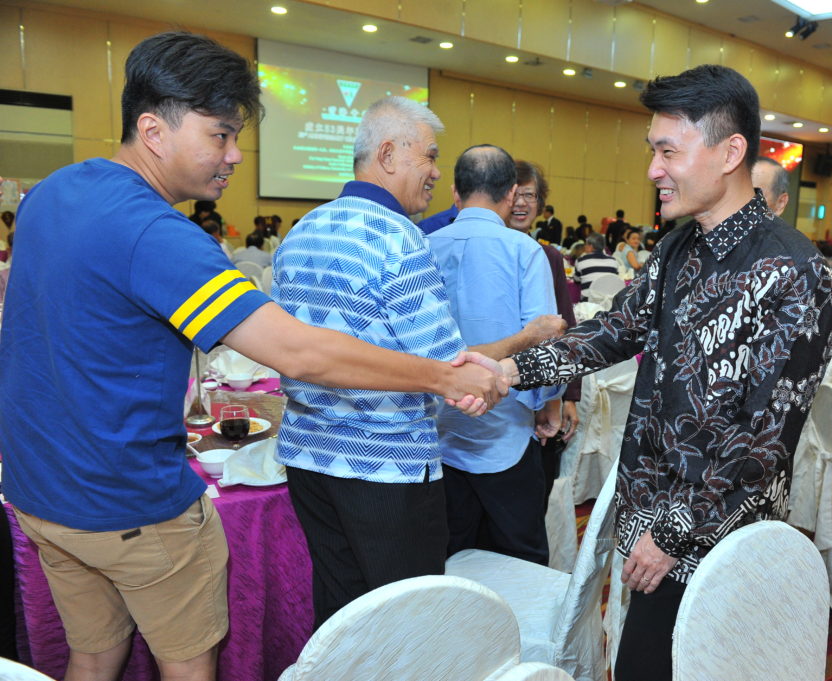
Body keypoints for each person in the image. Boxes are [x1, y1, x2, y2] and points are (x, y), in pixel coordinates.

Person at [0, 33, 505, 681]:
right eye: (220, 135)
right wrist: (442, 376)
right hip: (128, 503)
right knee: (190, 667)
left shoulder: (54, 190)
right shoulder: (157, 234)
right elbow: (296, 350)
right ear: (153, 130)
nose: (235, 155)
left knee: (94, 656)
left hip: (39, 492)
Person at [497, 65, 832, 680]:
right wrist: (504, 371)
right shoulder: (679, 247)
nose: (654, 169)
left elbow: (762, 441)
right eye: (652, 151)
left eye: (668, 151)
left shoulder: (796, 273)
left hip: (716, 536)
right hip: (650, 517)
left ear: (729, 152)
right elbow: (611, 331)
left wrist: (673, 533)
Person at [271, 98, 557, 629]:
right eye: (428, 156)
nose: (435, 172)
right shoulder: (397, 236)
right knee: (412, 624)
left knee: (342, 614)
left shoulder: (303, 229)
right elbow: (445, 364)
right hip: (386, 467)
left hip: (309, 459)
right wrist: (521, 347)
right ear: (387, 155)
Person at [428, 145, 565, 564]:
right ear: (510, 194)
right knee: (518, 559)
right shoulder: (524, 250)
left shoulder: (422, 246)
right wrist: (548, 404)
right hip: (507, 430)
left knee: (450, 557)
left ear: (455, 193)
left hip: (439, 432)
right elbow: (544, 343)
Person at [506, 160, 582, 507]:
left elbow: (566, 326)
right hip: (497, 392)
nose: (522, 203)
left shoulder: (549, 256)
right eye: (516, 195)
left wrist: (568, 397)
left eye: (531, 196)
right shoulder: (491, 251)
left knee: (533, 496)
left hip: (539, 392)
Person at [574, 232, 619, 300]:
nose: (584, 246)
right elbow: (614, 278)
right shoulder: (613, 261)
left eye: (586, 244)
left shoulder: (580, 261)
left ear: (591, 247)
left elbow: (576, 280)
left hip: (589, 300)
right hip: (609, 300)